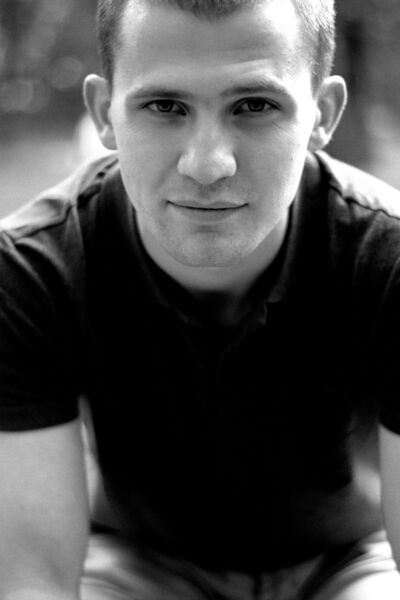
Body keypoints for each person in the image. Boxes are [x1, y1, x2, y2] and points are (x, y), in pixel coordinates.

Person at [1, 0, 400, 598]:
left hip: (350, 561)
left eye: (255, 105)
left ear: (322, 113)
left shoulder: (390, 259)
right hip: (139, 564)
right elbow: (35, 582)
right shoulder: (31, 269)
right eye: (165, 106)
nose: (208, 165)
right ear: (104, 113)